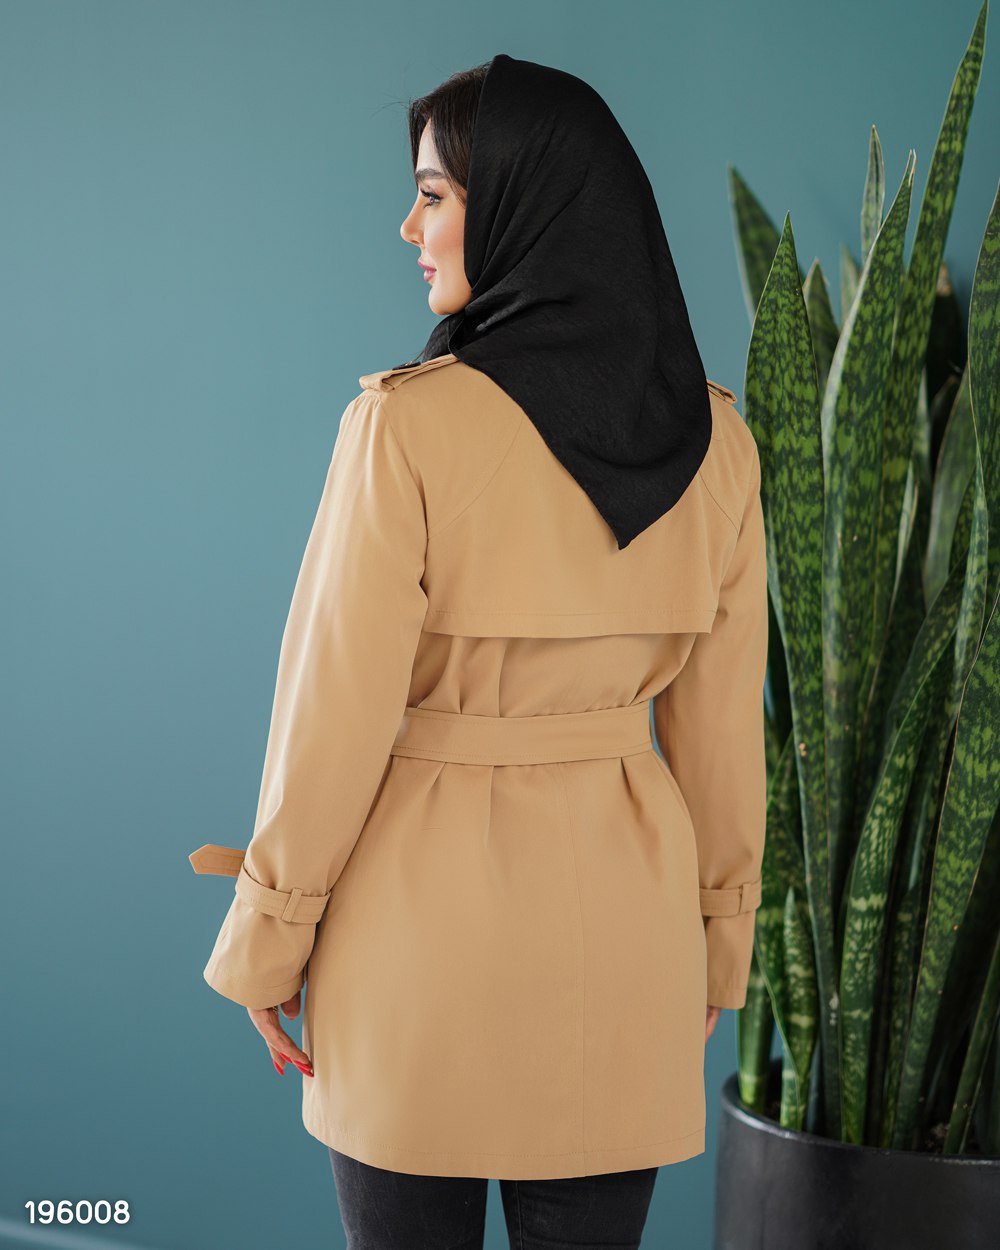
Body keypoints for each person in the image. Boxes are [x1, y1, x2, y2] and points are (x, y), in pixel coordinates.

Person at [189, 52, 768, 1250]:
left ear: (517, 203)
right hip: (626, 942)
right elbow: (721, 736)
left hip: (415, 940)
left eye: (434, 196)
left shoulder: (401, 428)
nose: (409, 227)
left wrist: (266, 940)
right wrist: (719, 949)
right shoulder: (718, 444)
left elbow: (330, 718)